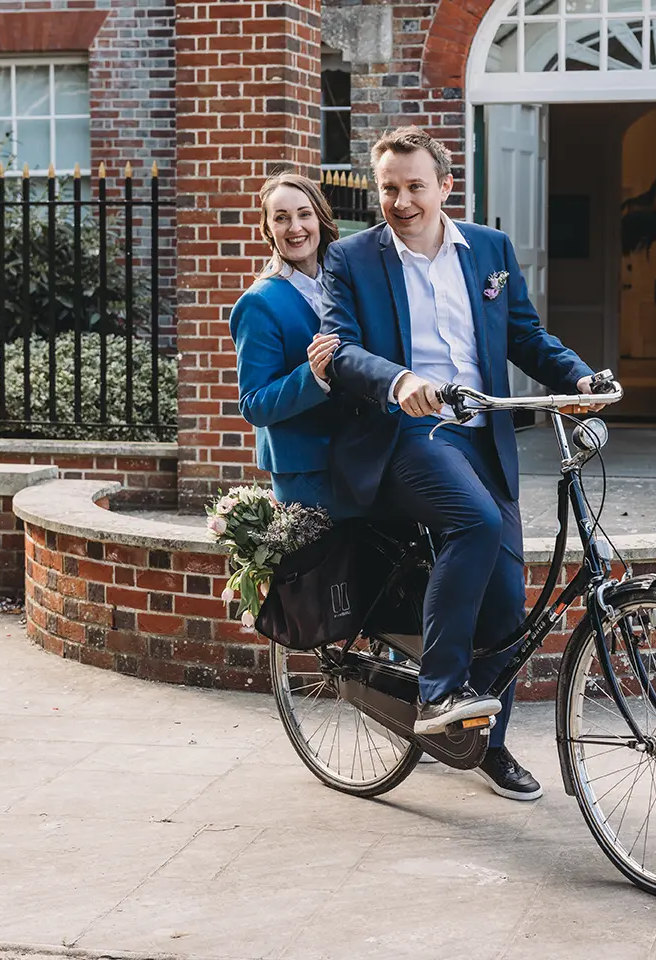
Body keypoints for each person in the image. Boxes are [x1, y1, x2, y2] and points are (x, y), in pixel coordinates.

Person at [320, 126, 600, 802]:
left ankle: (484, 747)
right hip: (407, 436)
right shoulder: (351, 259)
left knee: (507, 603)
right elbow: (341, 349)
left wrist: (581, 379)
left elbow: (525, 336)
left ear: (446, 186)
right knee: (473, 525)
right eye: (390, 189)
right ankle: (438, 691)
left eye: (416, 186)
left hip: (483, 437)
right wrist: (399, 381)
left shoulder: (491, 252)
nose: (402, 201)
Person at [229, 173, 346, 512]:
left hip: (361, 455)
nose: (295, 227)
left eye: (304, 214)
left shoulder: (344, 282)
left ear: (320, 218)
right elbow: (254, 404)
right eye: (281, 218)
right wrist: (312, 376)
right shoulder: (259, 303)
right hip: (307, 473)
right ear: (268, 230)